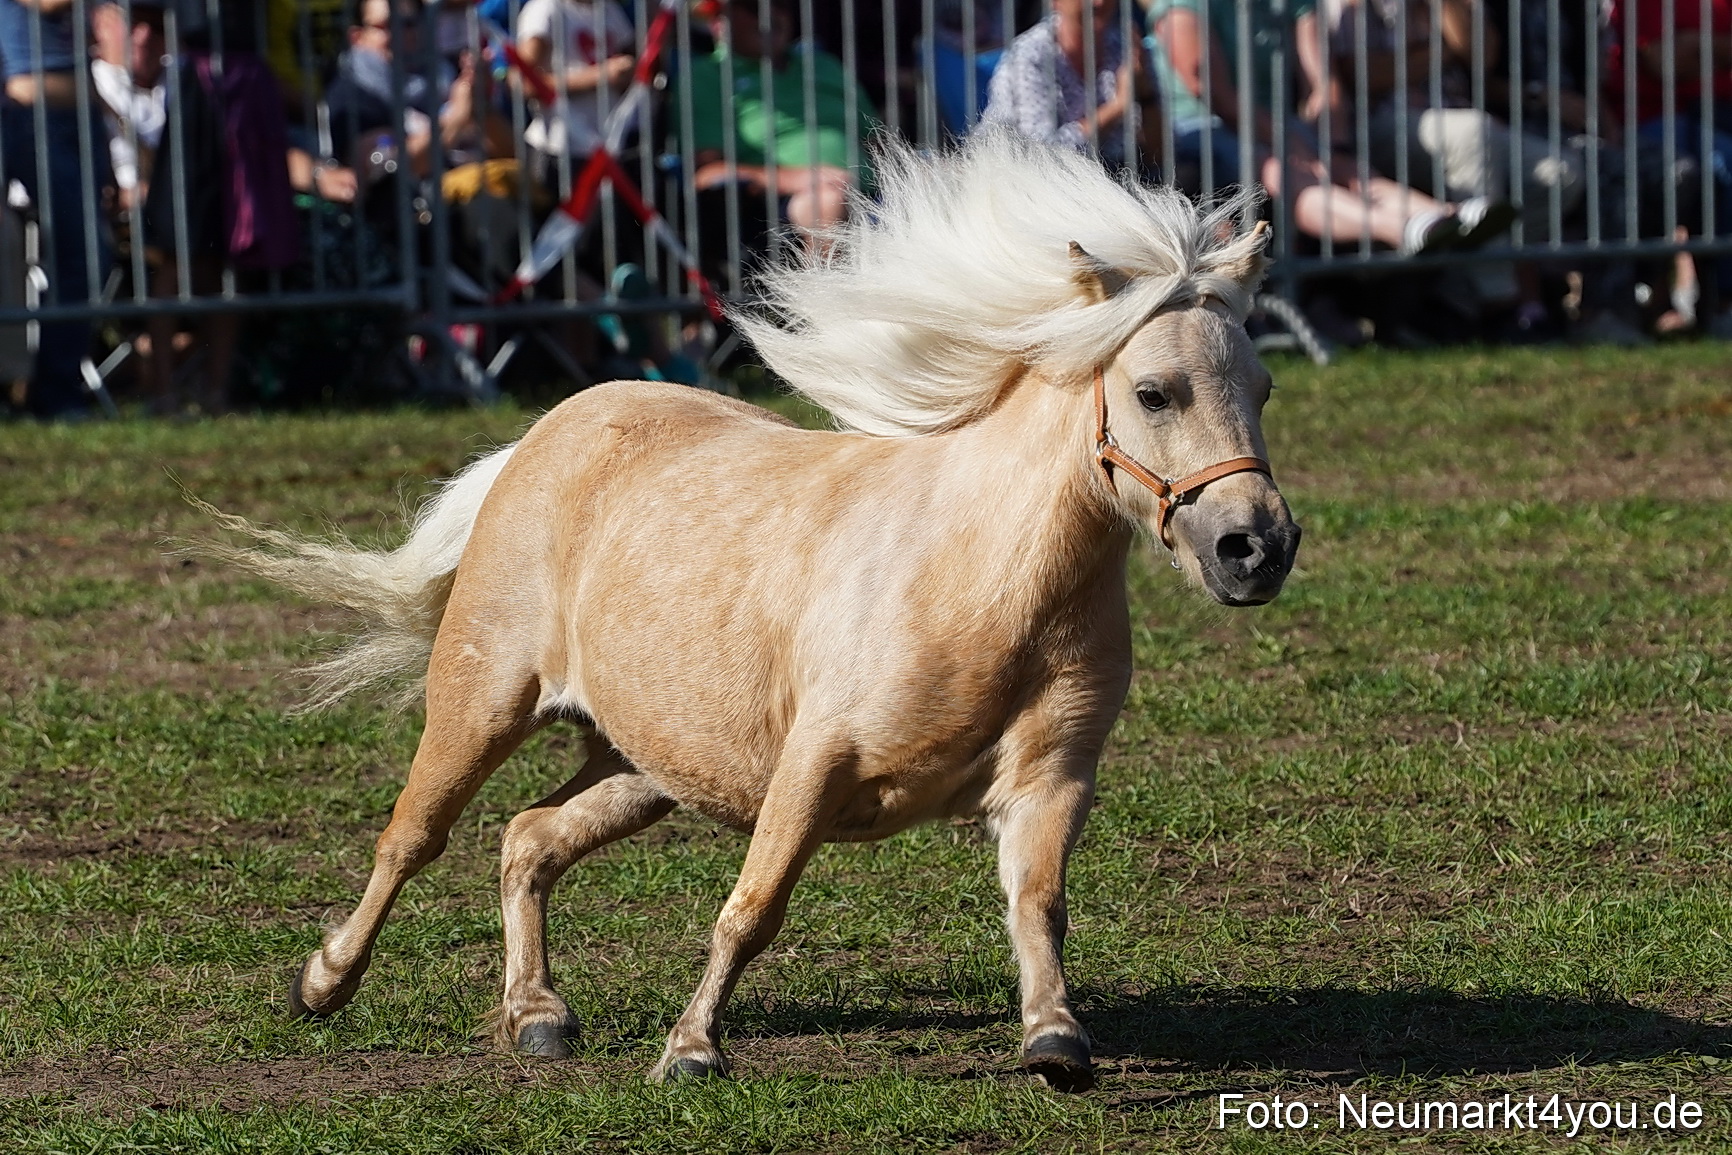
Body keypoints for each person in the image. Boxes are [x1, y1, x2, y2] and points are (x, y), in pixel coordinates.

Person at [1148, 0, 1514, 254]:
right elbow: (1211, 91)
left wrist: (1327, 140)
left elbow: (1322, 81)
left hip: (1272, 123)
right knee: (1282, 170)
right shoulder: (1182, 8)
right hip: (1200, 129)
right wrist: (1291, 143)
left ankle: (1443, 215)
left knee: (1346, 168)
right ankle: (1403, 229)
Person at [142, 0, 299, 415]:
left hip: (245, 90)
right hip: (200, 93)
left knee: (228, 257)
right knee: (177, 251)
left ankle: (215, 392)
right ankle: (162, 394)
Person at [673, 0, 879, 261]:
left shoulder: (824, 65)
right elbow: (706, 174)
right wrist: (794, 179)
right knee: (829, 202)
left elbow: (878, 140)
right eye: (754, 8)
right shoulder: (705, 77)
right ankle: (825, 297)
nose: (770, 15)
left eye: (781, 4)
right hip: (782, 207)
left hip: (875, 193)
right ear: (722, 17)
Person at [0, 0, 113, 419]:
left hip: (80, 115)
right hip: (34, 116)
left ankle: (54, 387)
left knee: (86, 259)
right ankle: (53, 392)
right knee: (79, 251)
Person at [979, 0, 1144, 171]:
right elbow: (1043, 155)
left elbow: (1159, 151)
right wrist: (1116, 108)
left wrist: (1145, 92)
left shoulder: (1126, 49)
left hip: (1108, 181)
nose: (1099, 2)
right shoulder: (1031, 57)